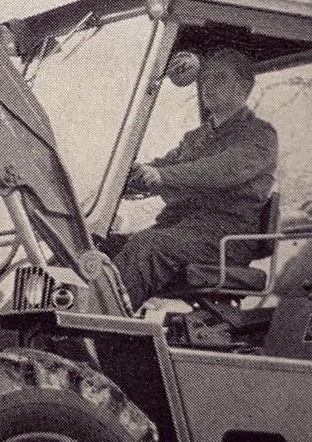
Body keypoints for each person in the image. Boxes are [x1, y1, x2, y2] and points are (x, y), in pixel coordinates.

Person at [111, 47, 278, 310]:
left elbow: (222, 169)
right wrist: (131, 174)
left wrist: (161, 175)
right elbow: (164, 166)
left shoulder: (259, 135)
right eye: (206, 78)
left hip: (223, 238)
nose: (208, 85)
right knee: (99, 245)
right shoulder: (196, 138)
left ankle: (97, 322)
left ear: (244, 87)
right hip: (182, 229)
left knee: (147, 246)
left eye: (220, 78)